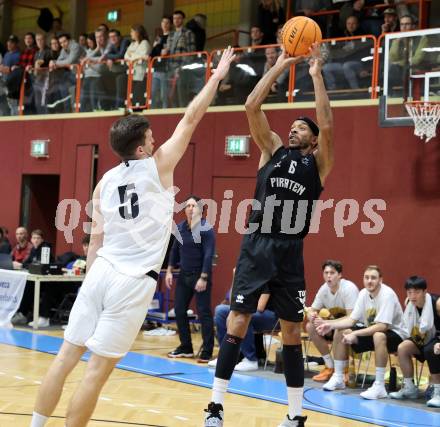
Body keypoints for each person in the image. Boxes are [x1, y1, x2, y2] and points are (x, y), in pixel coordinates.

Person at [29, 46, 235, 427]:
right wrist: (217, 75)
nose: (157, 139)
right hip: (132, 281)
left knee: (65, 358)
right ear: (140, 147)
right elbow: (191, 118)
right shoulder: (157, 167)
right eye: (151, 137)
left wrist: (91, 278)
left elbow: (94, 241)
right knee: (95, 372)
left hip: (100, 273)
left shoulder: (104, 182)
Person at [203, 43, 334, 427]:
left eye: (300, 127)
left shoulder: (318, 164)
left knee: (292, 332)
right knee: (237, 322)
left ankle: (295, 415)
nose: (293, 128)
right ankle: (215, 407)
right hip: (258, 245)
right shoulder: (271, 150)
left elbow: (327, 123)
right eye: (292, 125)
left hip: (291, 251)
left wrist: (314, 75)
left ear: (310, 140)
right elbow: (251, 106)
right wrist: (279, 65)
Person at [316, 265, 408, 400]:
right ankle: (339, 377)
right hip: (374, 332)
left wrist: (356, 334)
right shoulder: (363, 293)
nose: (369, 281)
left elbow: (382, 326)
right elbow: (351, 320)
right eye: (366, 278)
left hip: (396, 334)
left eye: (373, 278)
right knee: (341, 331)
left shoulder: (387, 294)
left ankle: (379, 385)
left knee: (378, 335)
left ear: (380, 280)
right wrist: (329, 325)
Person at [166, 195, 216, 363]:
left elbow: (209, 255)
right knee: (179, 310)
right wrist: (169, 271)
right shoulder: (180, 228)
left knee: (203, 313)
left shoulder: (206, 229)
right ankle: (186, 347)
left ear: (200, 210)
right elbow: (174, 250)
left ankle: (207, 349)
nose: (190, 208)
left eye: (193, 205)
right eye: (187, 205)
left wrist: (203, 277)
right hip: (184, 276)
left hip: (200, 276)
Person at [209, 275, 278, 372]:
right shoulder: (244, 279)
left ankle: (250, 360)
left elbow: (260, 307)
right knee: (220, 310)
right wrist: (235, 278)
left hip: (269, 315)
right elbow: (231, 300)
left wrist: (242, 307)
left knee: (244, 313)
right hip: (249, 309)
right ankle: (225, 356)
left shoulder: (264, 278)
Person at [389, 276, 440, 407]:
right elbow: (408, 330)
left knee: (431, 349)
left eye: (416, 292)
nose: (412, 296)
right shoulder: (410, 305)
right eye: (409, 292)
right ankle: (410, 388)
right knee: (402, 348)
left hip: (437, 340)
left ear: (424, 291)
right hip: (424, 340)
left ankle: (438, 392)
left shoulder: (437, 303)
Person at [305, 260, 359, 382]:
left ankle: (344, 369)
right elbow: (311, 310)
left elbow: (352, 318)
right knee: (310, 326)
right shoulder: (323, 289)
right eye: (326, 273)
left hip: (354, 327)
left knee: (339, 330)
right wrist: (312, 316)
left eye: (332, 273)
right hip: (333, 326)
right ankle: (329, 366)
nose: (328, 276)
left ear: (339, 275)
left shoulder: (349, 288)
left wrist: (328, 324)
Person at [162, 10, 196, 107]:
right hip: (170, 68)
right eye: (174, 18)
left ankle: (183, 114)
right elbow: (168, 52)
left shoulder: (188, 33)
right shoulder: (171, 34)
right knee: (170, 96)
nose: (176, 20)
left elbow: (191, 53)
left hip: (182, 68)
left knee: (181, 94)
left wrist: (183, 67)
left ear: (183, 19)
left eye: (179, 18)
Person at [124, 24, 151, 107]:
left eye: (132, 31)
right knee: (132, 95)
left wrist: (132, 55)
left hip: (141, 74)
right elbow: (126, 57)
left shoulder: (145, 43)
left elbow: (144, 56)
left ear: (138, 32)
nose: (131, 33)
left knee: (138, 95)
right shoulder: (132, 44)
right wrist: (138, 57)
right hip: (132, 73)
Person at [150, 15, 172, 109]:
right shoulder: (158, 37)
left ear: (170, 25)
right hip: (156, 68)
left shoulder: (172, 36)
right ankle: (152, 110)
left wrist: (158, 50)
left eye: (167, 23)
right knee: (153, 92)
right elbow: (153, 52)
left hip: (165, 69)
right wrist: (158, 50)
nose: (165, 25)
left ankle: (165, 110)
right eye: (163, 22)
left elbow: (166, 51)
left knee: (164, 94)